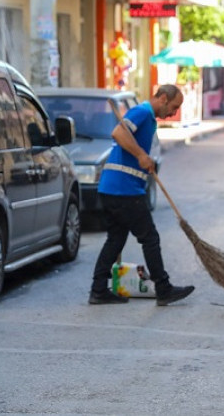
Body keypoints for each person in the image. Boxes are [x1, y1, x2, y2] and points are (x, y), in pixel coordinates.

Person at [89, 84, 195, 306]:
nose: (174, 113)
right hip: (123, 190)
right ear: (163, 98)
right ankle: (163, 289)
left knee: (116, 239)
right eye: (174, 107)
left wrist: (145, 160)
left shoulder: (148, 117)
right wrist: (140, 155)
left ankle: (98, 290)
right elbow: (118, 133)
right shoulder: (142, 111)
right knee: (150, 237)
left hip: (114, 188)